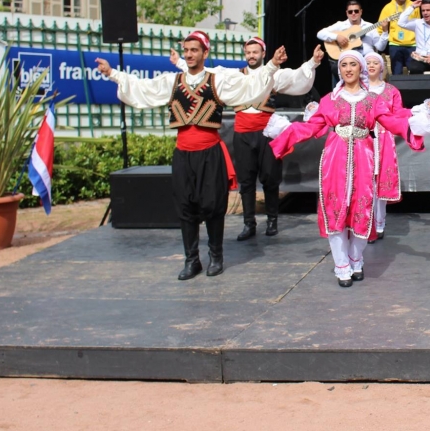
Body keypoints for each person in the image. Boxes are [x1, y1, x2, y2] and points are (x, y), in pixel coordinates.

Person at [96, 30, 293, 281]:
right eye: (186, 50)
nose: (189, 54)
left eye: (194, 50)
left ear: (205, 53)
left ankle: (216, 256)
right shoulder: (172, 81)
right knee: (185, 206)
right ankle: (192, 260)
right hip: (183, 155)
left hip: (210, 153)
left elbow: (250, 87)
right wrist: (112, 74)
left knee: (213, 205)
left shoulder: (217, 81)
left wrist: (272, 65)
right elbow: (143, 89)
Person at [269, 50, 430, 287]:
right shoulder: (330, 100)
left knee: (361, 208)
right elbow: (312, 127)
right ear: (339, 70)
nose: (348, 69)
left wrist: (415, 126)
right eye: (343, 65)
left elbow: (391, 121)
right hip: (335, 159)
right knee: (336, 208)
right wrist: (286, 132)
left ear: (360, 69)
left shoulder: (373, 100)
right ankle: (341, 265)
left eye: (352, 65)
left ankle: (356, 258)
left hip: (364, 157)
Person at [170, 38, 324, 241]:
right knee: (246, 180)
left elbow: (296, 78)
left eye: (255, 52)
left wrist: (313, 62)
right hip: (243, 133)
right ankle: (249, 223)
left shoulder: (273, 75)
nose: (251, 55)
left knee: (270, 178)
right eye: (248, 52)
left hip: (267, 133)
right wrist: (180, 62)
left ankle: (272, 220)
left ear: (263, 54)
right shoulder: (235, 76)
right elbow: (207, 73)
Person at [364, 51, 406, 241]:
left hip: (382, 139)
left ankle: (379, 224)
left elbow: (398, 114)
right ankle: (364, 223)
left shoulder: (391, 91)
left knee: (379, 183)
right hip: (362, 139)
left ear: (382, 66)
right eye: (368, 62)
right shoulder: (358, 88)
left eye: (375, 62)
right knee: (364, 182)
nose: (371, 65)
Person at [317, 0, 389, 81]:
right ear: (347, 13)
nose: (353, 13)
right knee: (336, 67)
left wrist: (385, 31)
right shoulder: (341, 25)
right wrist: (337, 37)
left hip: (367, 61)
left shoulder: (370, 26)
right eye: (350, 12)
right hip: (348, 60)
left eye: (356, 11)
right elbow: (320, 33)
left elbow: (380, 47)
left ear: (361, 12)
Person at [379, 0, 420, 75]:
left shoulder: (414, 6)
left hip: (412, 44)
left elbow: (418, 26)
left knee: (414, 72)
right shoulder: (388, 7)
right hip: (395, 44)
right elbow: (380, 27)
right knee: (396, 73)